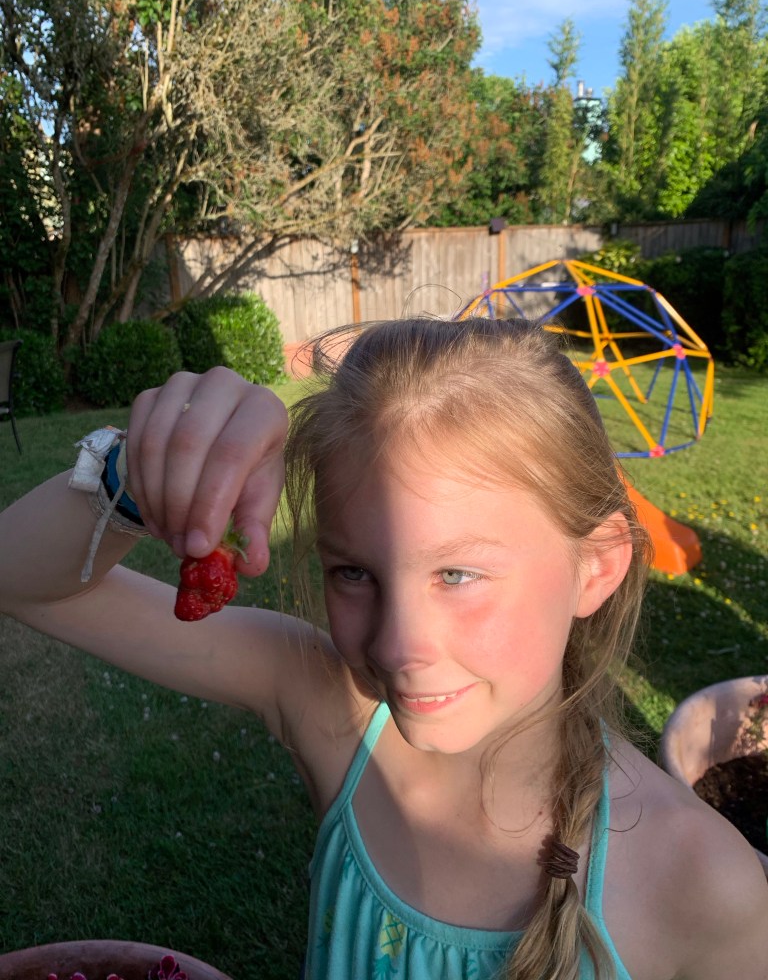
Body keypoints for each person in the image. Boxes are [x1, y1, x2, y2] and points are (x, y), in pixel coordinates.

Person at [0, 316, 766, 980]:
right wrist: (134, 474)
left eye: (457, 574)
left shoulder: (705, 885)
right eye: (354, 573)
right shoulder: (336, 709)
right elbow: (25, 583)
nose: (397, 646)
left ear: (594, 568)